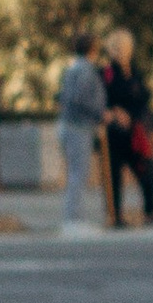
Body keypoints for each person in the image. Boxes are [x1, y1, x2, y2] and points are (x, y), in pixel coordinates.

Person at [100, 27, 153, 227]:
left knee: (148, 170)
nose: (122, 51)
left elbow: (144, 102)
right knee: (113, 176)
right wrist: (114, 112)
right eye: (117, 48)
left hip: (137, 132)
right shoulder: (106, 73)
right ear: (111, 50)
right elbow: (100, 101)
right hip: (115, 133)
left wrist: (150, 130)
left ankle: (151, 213)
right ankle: (115, 216)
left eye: (125, 47)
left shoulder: (136, 72)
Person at [57, 32, 108, 234]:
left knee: (76, 173)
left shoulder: (73, 67)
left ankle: (73, 217)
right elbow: (81, 97)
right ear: (93, 49)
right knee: (79, 173)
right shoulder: (86, 70)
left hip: (70, 125)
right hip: (79, 127)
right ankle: (73, 219)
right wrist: (100, 113)